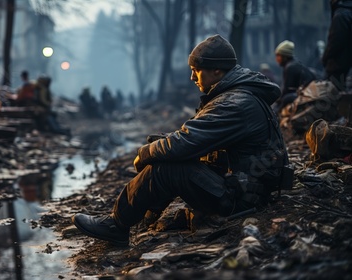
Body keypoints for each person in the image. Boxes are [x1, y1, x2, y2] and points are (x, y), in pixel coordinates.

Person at [72, 34, 290, 246]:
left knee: (166, 167)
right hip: (246, 189)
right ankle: (144, 216)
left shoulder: (234, 103)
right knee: (163, 148)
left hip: (242, 200)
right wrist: (160, 144)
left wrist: (145, 152)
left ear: (216, 71)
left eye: (196, 71)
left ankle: (116, 225)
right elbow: (198, 141)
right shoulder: (238, 96)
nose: (192, 78)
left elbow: (185, 143)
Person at [273, 40, 316, 113]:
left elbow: (287, 89)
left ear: (284, 56)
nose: (276, 59)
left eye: (278, 55)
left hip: (307, 95)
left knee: (285, 99)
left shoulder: (290, 67)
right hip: (307, 92)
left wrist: (278, 102)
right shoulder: (293, 64)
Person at [322, 0, 352, 91]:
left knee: (332, 94)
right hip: (347, 62)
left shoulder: (341, 15)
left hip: (339, 64)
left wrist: (325, 57)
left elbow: (335, 41)